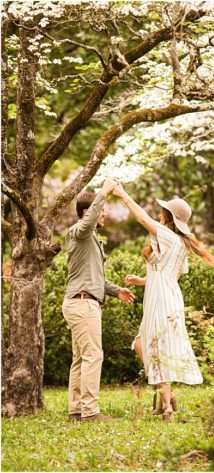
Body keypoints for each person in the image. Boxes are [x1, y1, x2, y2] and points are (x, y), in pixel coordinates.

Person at [112, 182, 214, 421]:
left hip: (161, 299)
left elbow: (143, 219)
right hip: (167, 295)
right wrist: (141, 281)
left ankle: (166, 405)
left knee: (156, 348)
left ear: (168, 217)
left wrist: (123, 194)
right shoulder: (180, 242)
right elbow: (170, 275)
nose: (159, 213)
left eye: (163, 211)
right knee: (142, 344)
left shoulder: (168, 236)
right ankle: (167, 396)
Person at [63, 179, 136, 422]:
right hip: (82, 304)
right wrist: (103, 192)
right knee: (94, 356)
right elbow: (87, 224)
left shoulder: (90, 239)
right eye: (100, 210)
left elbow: (95, 279)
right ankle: (90, 412)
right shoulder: (79, 232)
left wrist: (117, 291)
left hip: (83, 301)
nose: (104, 214)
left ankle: (76, 410)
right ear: (87, 213)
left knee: (81, 358)